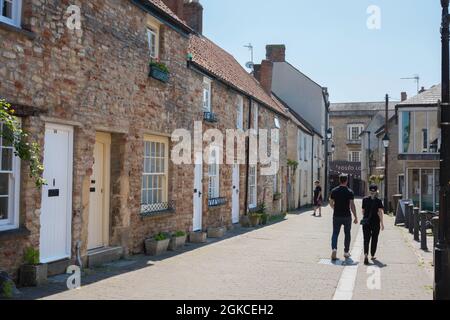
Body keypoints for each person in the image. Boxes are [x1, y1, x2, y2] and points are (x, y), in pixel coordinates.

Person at [329, 174, 358, 261]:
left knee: (335, 233)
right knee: (347, 233)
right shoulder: (350, 192)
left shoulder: (334, 191)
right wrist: (355, 216)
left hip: (336, 215)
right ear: (346, 181)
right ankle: (346, 252)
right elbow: (352, 205)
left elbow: (331, 202)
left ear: (339, 180)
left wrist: (335, 208)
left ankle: (334, 249)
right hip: (347, 216)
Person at [361, 185, 385, 265]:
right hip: (375, 222)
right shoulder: (378, 201)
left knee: (366, 239)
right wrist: (382, 223)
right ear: (376, 191)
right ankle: (372, 254)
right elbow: (380, 212)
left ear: (369, 191)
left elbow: (363, 211)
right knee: (374, 238)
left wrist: (365, 217)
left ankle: (365, 254)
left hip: (366, 222)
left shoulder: (364, 200)